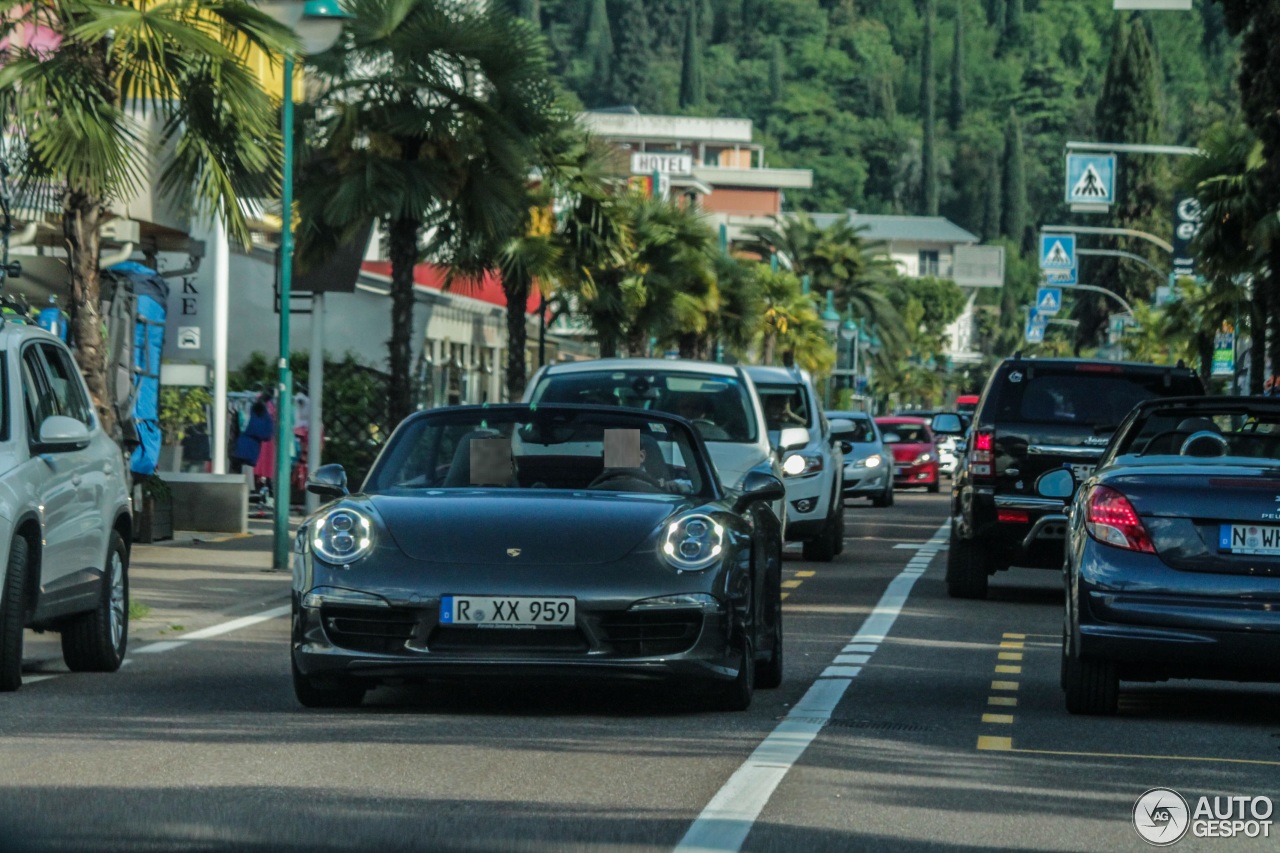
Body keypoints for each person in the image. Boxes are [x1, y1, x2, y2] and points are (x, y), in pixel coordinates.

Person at [231, 394, 274, 474]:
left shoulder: (248, 410)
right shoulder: (266, 417)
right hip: (254, 447)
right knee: (248, 472)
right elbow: (267, 435)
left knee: (236, 471)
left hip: (241, 444)